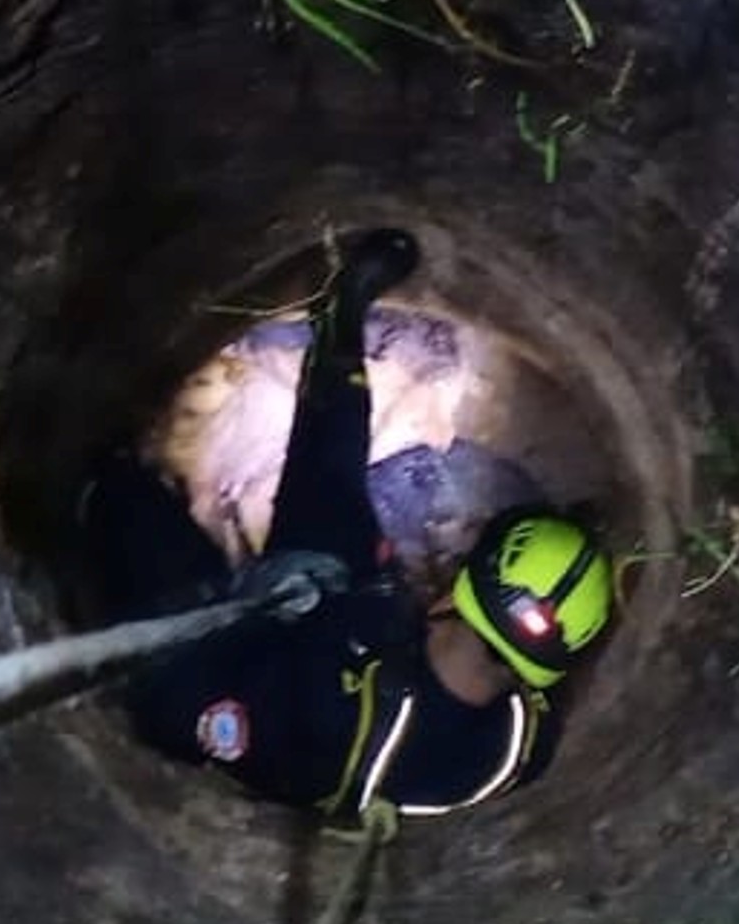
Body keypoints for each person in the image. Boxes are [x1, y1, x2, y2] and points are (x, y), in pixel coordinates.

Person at [87, 229, 620, 819]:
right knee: (333, 498)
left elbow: (189, 707)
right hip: (353, 625)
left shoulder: (327, 717)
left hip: (236, 669)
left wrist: (253, 614)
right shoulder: (517, 745)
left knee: (132, 514)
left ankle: (87, 479)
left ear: (462, 591)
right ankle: (341, 316)